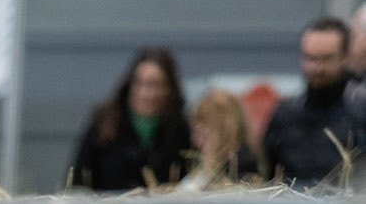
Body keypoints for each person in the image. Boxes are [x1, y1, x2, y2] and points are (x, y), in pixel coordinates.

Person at [70, 47, 192, 191]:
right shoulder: (104, 126)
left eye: (156, 85)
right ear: (130, 85)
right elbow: (79, 181)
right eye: (141, 83)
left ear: (169, 89)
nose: (148, 94)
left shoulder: (181, 131)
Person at [263, 18, 364, 187]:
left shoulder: (360, 109)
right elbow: (266, 171)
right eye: (309, 58)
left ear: (345, 56)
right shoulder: (286, 113)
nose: (315, 68)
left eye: (326, 59)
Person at [178, 89, 263, 189]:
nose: (196, 141)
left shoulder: (238, 165)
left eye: (203, 135)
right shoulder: (219, 163)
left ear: (224, 131)